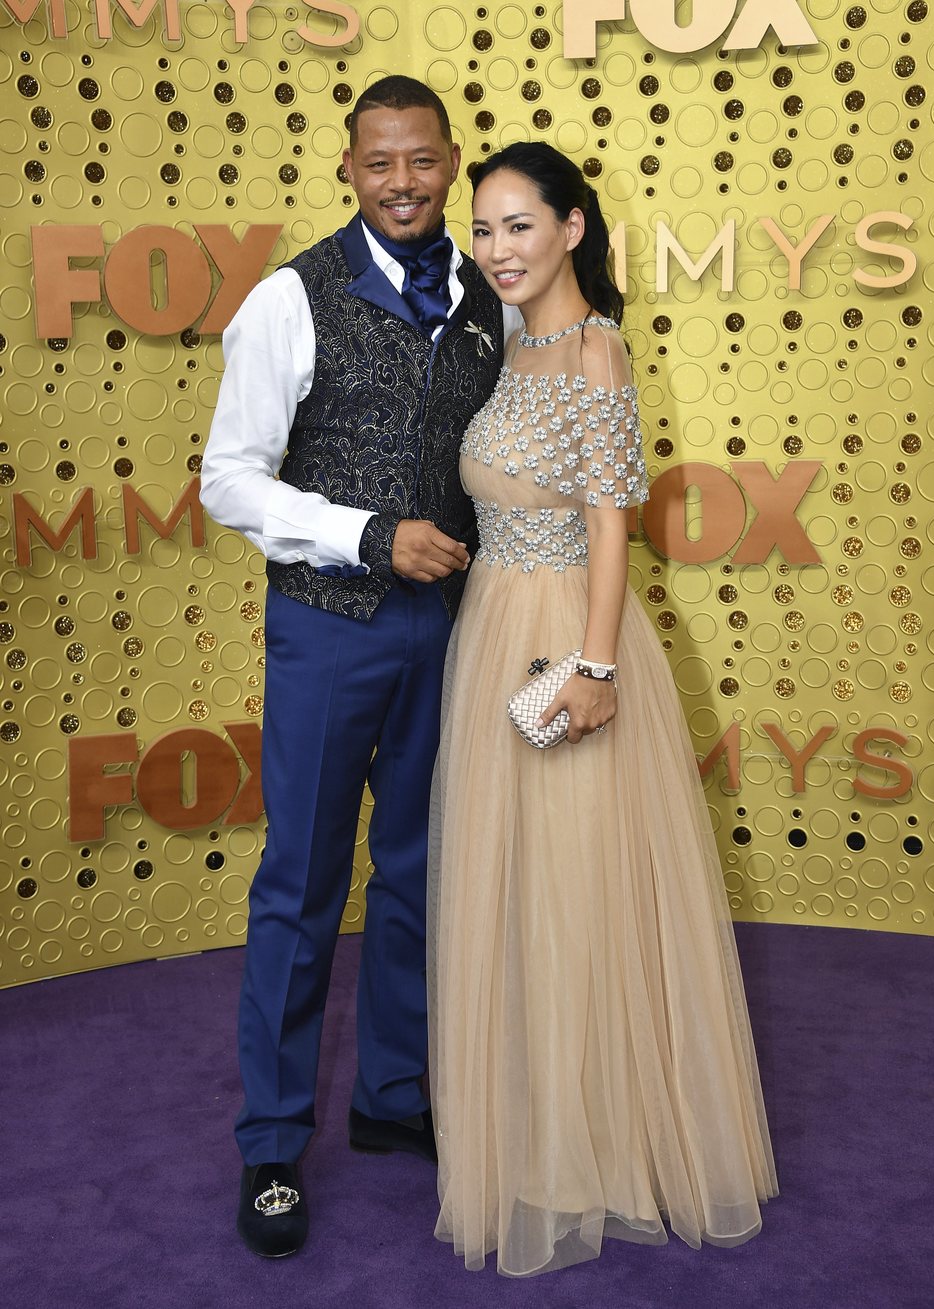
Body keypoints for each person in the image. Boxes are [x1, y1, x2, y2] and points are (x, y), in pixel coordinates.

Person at [428, 142, 778, 1277]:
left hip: (569, 636)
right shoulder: (508, 345)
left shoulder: (593, 351)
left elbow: (614, 523)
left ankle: (602, 1149)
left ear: (575, 228)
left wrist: (596, 669)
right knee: (517, 888)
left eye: (520, 225)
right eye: (483, 230)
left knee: (580, 888)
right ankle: (536, 1127)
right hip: (494, 629)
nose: (497, 250)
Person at [200, 75, 512, 1258]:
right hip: (330, 625)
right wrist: (370, 535)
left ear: (449, 162)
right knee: (302, 881)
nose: (401, 182)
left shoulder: (485, 296)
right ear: (349, 168)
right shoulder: (293, 295)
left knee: (423, 875)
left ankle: (393, 1097)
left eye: (421, 161)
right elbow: (228, 477)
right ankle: (273, 1141)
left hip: (454, 630)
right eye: (379, 163)